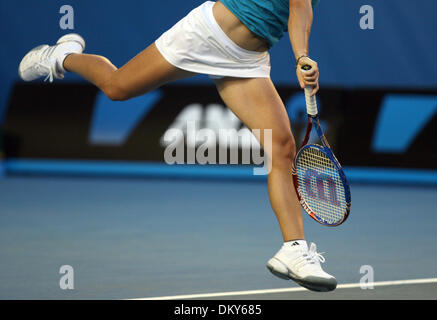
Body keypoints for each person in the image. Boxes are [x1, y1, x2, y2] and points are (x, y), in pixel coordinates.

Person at [18, 0, 336, 292]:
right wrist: (302, 55)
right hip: (206, 34)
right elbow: (299, 7)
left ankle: (294, 249)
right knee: (116, 87)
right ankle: (61, 56)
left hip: (247, 59)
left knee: (281, 148)